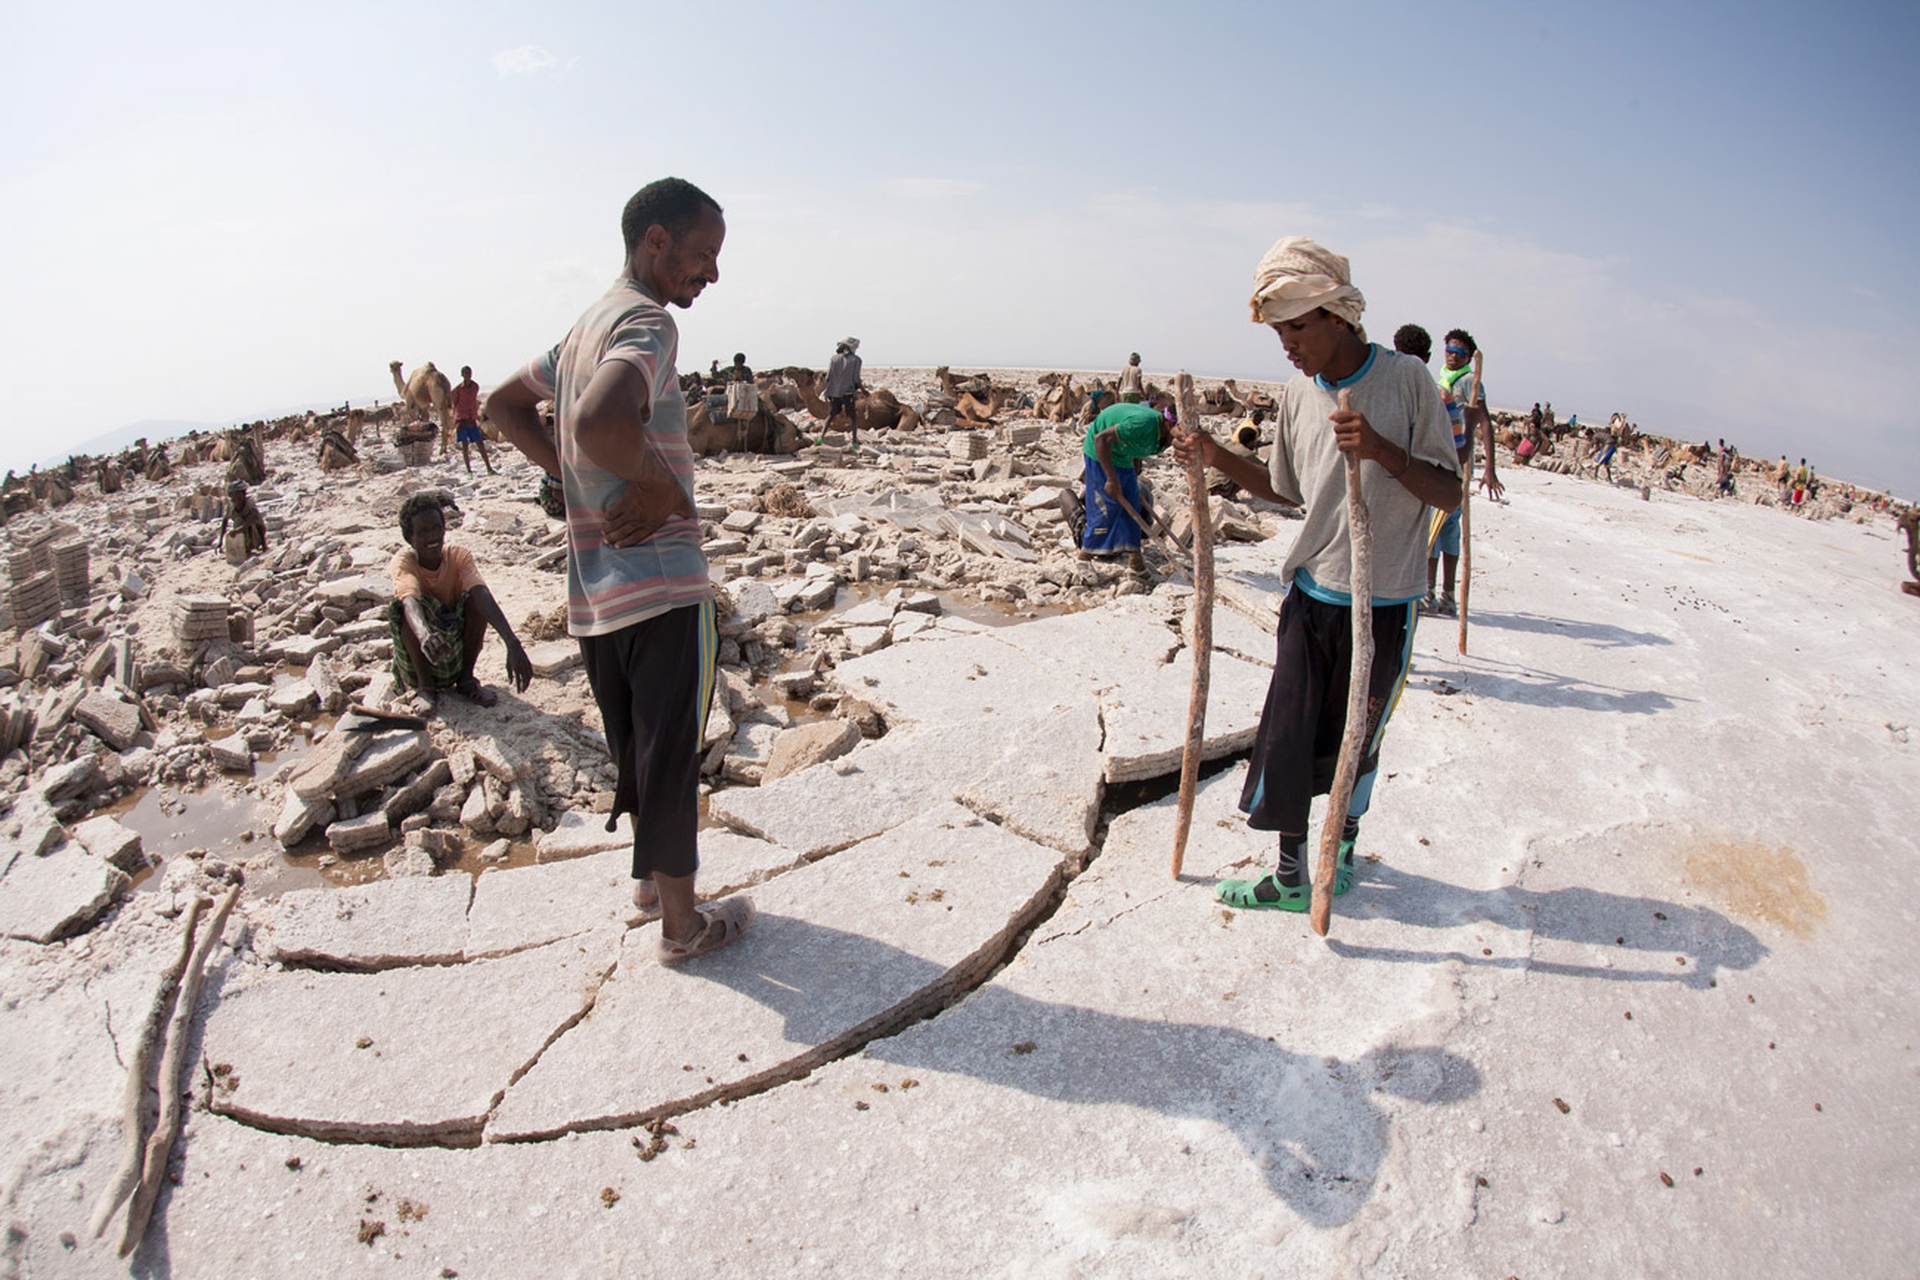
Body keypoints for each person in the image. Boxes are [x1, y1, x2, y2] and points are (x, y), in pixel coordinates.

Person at [482, 175, 753, 964]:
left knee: (637, 743)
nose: (710, 273)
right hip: (663, 585)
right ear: (656, 242)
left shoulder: (582, 328)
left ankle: (648, 885)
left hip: (596, 590)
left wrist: (572, 484)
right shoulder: (647, 323)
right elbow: (598, 421)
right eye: (702, 255)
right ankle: (683, 926)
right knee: (670, 754)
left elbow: (506, 406)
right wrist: (659, 486)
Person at [1175, 236, 1461, 913]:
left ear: (1340, 316)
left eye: (1298, 325)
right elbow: (1285, 489)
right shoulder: (1298, 395)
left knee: (1355, 741)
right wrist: (1214, 454)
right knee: (1289, 736)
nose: (1287, 341)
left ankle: (1342, 846)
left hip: (1383, 601)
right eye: (1279, 329)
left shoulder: (1406, 382)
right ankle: (1290, 877)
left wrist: (1384, 451)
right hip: (1311, 594)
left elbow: (1448, 494)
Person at [387, 492, 532, 709]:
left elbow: (482, 594)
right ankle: (425, 688)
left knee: (475, 601)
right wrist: (425, 635)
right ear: (410, 538)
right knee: (401, 608)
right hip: (421, 654)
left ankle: (466, 679)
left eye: (436, 528)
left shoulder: (458, 556)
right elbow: (409, 601)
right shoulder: (404, 561)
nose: (432, 537)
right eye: (423, 532)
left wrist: (512, 641)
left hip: (452, 650)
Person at [1421, 328, 1500, 615]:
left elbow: (1484, 422)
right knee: (1442, 529)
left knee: (1439, 528)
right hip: (1440, 458)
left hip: (1455, 464)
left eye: (1459, 353)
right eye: (1449, 351)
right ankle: (1441, 594)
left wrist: (1489, 468)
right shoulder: (1444, 378)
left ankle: (1436, 594)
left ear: (1468, 357)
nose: (1452, 356)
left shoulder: (1468, 382)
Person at [1081, 400, 1173, 574]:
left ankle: (1135, 560)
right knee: (1106, 504)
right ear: (1169, 424)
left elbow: (1136, 443)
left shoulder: (1165, 435)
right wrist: (1111, 479)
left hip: (1121, 453)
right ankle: (1085, 557)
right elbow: (1100, 439)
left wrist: (1134, 468)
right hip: (1100, 451)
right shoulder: (1142, 424)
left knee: (1131, 503)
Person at [452, 366, 496, 476]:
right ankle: (468, 471)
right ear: (462, 375)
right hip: (462, 420)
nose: (468, 375)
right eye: (466, 373)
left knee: (480, 444)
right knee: (465, 445)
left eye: (469, 373)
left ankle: (489, 468)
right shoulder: (458, 389)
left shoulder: (475, 387)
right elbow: (454, 403)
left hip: (471, 419)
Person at [822, 338, 862, 445]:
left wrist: (828, 391)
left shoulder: (834, 359)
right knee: (853, 417)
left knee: (831, 415)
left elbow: (828, 377)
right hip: (847, 392)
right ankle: (854, 441)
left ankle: (820, 438)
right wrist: (863, 390)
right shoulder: (856, 360)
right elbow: (856, 379)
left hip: (834, 392)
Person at [218, 480, 267, 558]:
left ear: (243, 495)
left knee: (243, 521)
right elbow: (225, 521)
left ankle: (247, 547)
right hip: (241, 536)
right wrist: (220, 541)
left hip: (255, 536)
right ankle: (243, 548)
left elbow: (256, 521)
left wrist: (264, 544)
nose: (237, 499)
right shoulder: (231, 507)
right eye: (234, 497)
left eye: (238, 496)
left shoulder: (249, 504)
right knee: (238, 521)